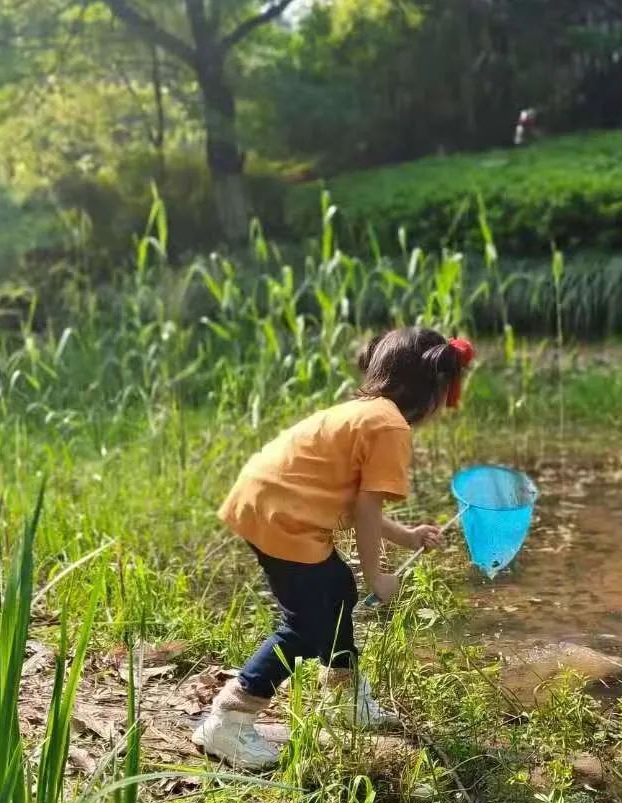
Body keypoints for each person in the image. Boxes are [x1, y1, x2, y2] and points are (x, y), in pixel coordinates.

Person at [193, 327, 476, 770]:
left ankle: (344, 696)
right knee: (307, 624)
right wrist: (378, 577)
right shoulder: (390, 426)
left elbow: (350, 498)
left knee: (337, 588)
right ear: (436, 387)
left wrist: (406, 537)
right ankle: (229, 719)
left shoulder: (367, 412)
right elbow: (365, 509)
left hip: (267, 503)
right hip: (284, 517)